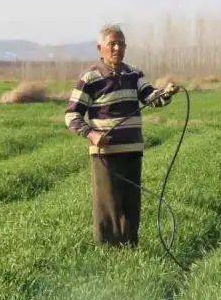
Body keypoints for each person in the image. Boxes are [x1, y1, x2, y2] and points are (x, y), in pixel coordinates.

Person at [64, 24, 178, 246]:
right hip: (106, 154)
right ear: (100, 48)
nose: (118, 48)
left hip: (133, 151)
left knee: (131, 204)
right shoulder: (90, 78)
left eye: (122, 44)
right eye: (112, 44)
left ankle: (130, 248)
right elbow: (71, 115)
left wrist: (166, 92)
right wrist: (92, 134)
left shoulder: (133, 73)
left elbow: (152, 99)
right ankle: (107, 251)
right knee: (108, 206)